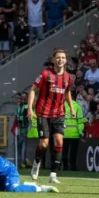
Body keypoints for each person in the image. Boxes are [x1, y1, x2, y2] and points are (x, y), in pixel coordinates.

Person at [28, 50, 75, 184]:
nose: (60, 60)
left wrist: (71, 108)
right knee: (44, 144)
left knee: (59, 142)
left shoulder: (68, 78)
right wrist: (30, 108)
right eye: (58, 57)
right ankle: (37, 162)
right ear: (53, 60)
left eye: (63, 58)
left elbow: (67, 93)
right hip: (43, 113)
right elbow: (33, 89)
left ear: (66, 61)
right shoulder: (45, 74)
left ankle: (53, 174)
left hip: (59, 114)